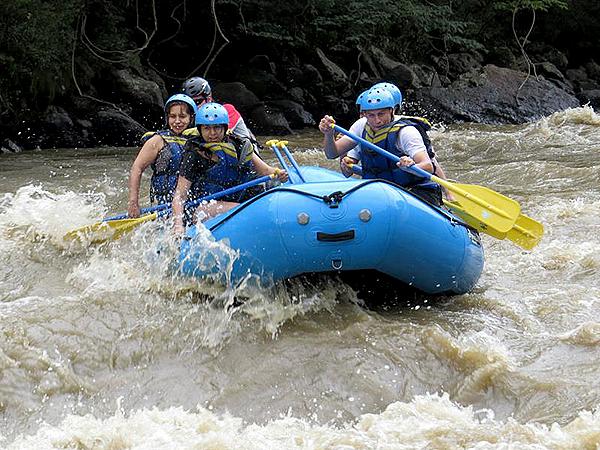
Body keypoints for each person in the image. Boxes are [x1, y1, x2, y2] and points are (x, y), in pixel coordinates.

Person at [172, 102, 288, 234]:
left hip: (240, 200)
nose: (212, 133)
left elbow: (266, 171)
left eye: (217, 128)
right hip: (207, 207)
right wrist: (178, 225)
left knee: (253, 204)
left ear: (225, 127)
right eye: (206, 128)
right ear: (200, 129)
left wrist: (279, 174)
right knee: (227, 209)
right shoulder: (194, 153)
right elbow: (180, 195)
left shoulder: (239, 145)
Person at [319, 87, 444, 206]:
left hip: (412, 190)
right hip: (378, 192)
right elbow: (331, 154)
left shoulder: (406, 132)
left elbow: (427, 166)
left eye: (381, 114)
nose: (377, 120)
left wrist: (410, 166)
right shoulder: (361, 125)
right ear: (364, 114)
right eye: (371, 115)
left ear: (392, 111)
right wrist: (329, 135)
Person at [127, 94, 197, 218]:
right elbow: (137, 168)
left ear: (191, 118)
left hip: (191, 202)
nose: (177, 121)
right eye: (172, 116)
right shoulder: (158, 140)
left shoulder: (198, 141)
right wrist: (133, 203)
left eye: (182, 116)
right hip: (165, 205)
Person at [181, 76, 257, 145]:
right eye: (190, 103)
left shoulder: (227, 110)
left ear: (209, 98)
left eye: (197, 102)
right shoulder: (190, 118)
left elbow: (221, 134)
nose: (194, 107)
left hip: (246, 153)